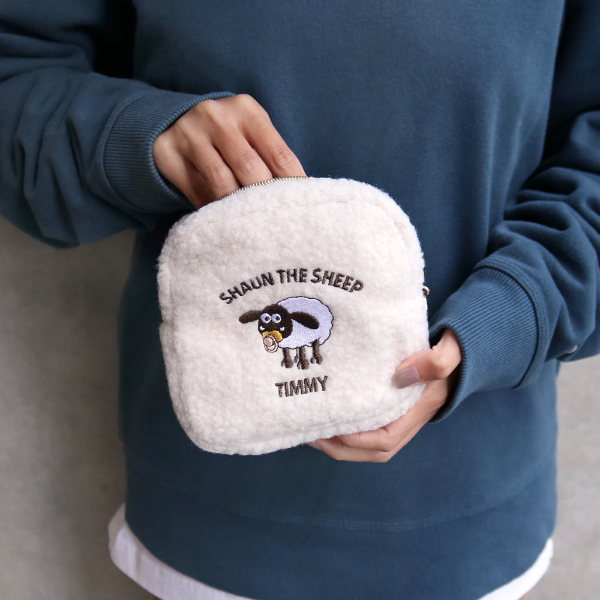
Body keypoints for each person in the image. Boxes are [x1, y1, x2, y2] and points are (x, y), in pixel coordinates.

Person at [1, 1, 599, 599]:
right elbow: (17, 76)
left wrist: (507, 321)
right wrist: (137, 135)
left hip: (470, 517)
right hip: (208, 521)